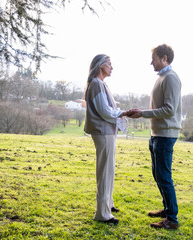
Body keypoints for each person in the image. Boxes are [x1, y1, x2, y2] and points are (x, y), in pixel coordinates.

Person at [128, 44, 182, 229]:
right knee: (157, 174)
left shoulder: (171, 78)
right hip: (157, 133)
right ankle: (167, 210)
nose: (151, 62)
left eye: (154, 58)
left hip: (166, 134)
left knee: (164, 176)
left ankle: (172, 219)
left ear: (164, 58)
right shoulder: (162, 77)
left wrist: (143, 113)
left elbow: (169, 110)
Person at [84, 54, 127, 225]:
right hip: (103, 132)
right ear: (101, 65)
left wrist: (120, 112)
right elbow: (105, 111)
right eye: (109, 64)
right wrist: (122, 113)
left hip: (106, 132)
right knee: (105, 171)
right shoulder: (96, 84)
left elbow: (108, 109)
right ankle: (102, 213)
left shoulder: (100, 84)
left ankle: (108, 204)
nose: (112, 67)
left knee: (109, 170)